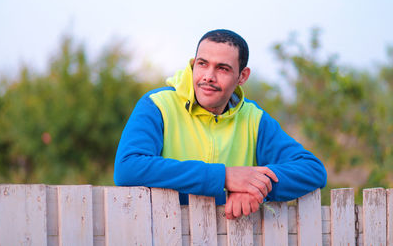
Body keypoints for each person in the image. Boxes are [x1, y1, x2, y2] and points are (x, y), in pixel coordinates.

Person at [114, 29, 327, 219]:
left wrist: (253, 187)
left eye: (222, 69)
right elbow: (128, 167)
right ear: (193, 64)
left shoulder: (253, 118)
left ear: (242, 76)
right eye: (202, 64)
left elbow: (312, 169)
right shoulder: (157, 105)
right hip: (165, 234)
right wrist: (225, 177)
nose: (208, 76)